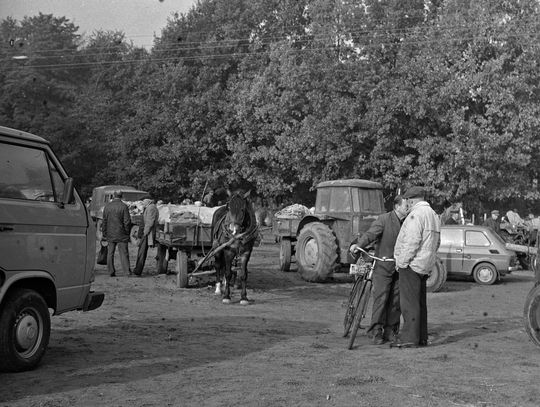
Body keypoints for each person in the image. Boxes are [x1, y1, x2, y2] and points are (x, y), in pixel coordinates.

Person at [349, 195, 409, 345]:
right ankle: (375, 331)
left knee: (396, 302)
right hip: (383, 265)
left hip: (400, 267)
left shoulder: (409, 222)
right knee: (381, 299)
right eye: (406, 206)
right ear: (397, 207)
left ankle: (391, 331)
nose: (408, 209)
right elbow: (370, 234)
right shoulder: (384, 219)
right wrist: (359, 245)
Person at [393, 186, 441, 348]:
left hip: (412, 264)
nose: (406, 203)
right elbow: (437, 242)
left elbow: (412, 241)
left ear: (412, 199)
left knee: (409, 304)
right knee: (421, 303)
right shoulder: (434, 215)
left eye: (407, 200)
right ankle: (421, 337)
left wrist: (401, 262)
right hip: (426, 264)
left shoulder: (415, 215)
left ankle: (409, 338)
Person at [102, 190, 132, 277]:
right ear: (121, 196)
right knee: (124, 253)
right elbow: (127, 221)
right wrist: (127, 232)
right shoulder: (124, 206)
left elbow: (104, 221)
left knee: (110, 253)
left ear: (113, 196)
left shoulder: (107, 206)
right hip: (122, 233)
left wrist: (104, 233)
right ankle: (126, 272)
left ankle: (111, 271)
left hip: (110, 233)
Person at [133, 197, 160, 276]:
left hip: (147, 233)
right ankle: (137, 269)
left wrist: (145, 233)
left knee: (142, 252)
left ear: (147, 202)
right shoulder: (150, 207)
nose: (143, 204)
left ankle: (138, 270)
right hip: (146, 232)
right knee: (141, 252)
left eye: (144, 202)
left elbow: (149, 222)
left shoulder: (151, 208)